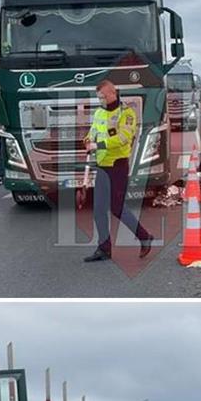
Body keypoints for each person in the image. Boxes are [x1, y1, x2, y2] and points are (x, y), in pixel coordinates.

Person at [84, 79, 154, 263]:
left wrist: (97, 144)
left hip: (117, 166)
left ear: (112, 94)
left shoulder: (126, 113)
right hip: (102, 166)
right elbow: (93, 131)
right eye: (98, 97)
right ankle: (104, 248)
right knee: (99, 209)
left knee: (117, 207)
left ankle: (144, 237)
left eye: (102, 97)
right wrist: (87, 139)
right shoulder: (99, 112)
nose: (100, 100)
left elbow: (123, 138)